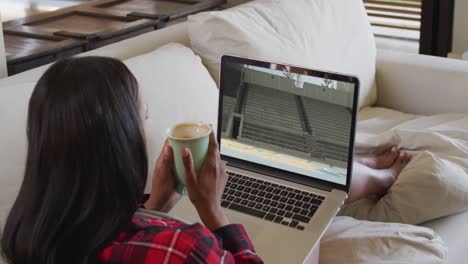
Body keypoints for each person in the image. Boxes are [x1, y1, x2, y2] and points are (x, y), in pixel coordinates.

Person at [0, 57, 263, 264]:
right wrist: (212, 210)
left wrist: (154, 206)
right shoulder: (184, 249)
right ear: (122, 140)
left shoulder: (24, 235)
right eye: (143, 118)